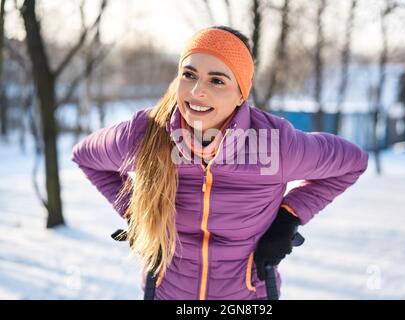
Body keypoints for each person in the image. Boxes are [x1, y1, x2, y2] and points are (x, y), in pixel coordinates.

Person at [71, 25, 369, 300]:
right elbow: (86, 157)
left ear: (241, 93)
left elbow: (352, 162)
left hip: (247, 296)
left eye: (217, 80)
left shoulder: (275, 145)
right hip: (167, 292)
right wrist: (135, 212)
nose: (198, 90)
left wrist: (289, 217)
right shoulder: (145, 134)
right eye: (189, 75)